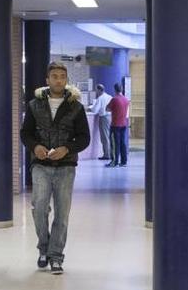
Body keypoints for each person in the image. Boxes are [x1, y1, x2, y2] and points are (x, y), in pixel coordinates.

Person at [20, 62, 90, 275]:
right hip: (41, 165)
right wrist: (36, 146)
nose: (58, 80)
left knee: (62, 212)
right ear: (47, 80)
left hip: (66, 166)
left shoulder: (75, 107)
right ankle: (44, 248)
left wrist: (67, 148)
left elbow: (84, 137)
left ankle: (56, 256)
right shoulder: (34, 105)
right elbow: (26, 133)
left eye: (62, 76)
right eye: (55, 76)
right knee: (39, 207)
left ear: (66, 80)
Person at [105, 83, 130, 167]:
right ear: (122, 89)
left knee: (115, 144)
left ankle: (114, 162)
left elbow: (107, 108)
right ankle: (123, 162)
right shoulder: (126, 100)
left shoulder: (114, 99)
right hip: (124, 124)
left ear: (115, 90)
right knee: (122, 143)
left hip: (115, 124)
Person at [89, 84, 113, 160]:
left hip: (104, 118)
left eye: (96, 90)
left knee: (104, 137)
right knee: (109, 136)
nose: (96, 92)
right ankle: (110, 153)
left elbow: (95, 110)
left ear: (99, 90)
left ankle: (106, 155)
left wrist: (90, 108)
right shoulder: (109, 97)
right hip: (110, 117)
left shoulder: (100, 98)